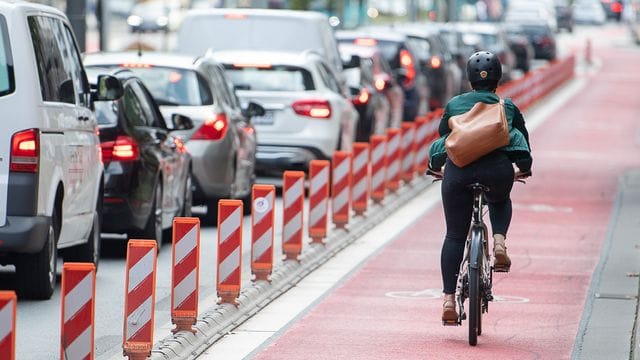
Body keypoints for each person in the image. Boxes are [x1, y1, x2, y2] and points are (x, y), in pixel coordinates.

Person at [427, 51, 532, 323]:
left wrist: (436, 166)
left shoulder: (453, 105)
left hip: (458, 174)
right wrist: (525, 168)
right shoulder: (506, 107)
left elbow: (444, 140)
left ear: (469, 79)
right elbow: (521, 141)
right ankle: (499, 242)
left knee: (454, 236)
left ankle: (449, 300)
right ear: (498, 78)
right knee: (499, 200)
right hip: (496, 171)